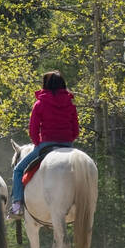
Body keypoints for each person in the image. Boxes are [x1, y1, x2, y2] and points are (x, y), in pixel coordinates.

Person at [9, 71, 79, 217]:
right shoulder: (70, 104)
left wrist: (38, 143)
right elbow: (76, 131)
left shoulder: (40, 103)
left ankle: (17, 207)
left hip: (46, 144)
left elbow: (33, 130)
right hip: (67, 145)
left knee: (18, 170)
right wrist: (68, 140)